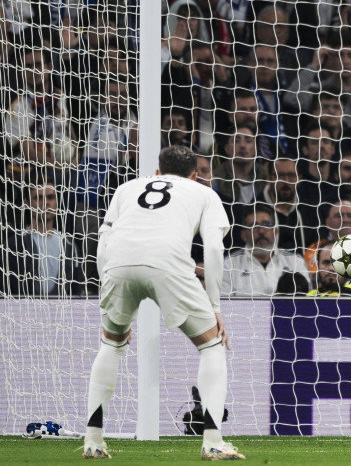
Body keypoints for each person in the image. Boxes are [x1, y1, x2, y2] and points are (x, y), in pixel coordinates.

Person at [83, 146, 244, 459]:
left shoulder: (126, 188)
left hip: (118, 264)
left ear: (157, 173)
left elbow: (103, 244)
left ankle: (93, 440)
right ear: (195, 175)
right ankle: (212, 440)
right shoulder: (204, 193)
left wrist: (112, 300)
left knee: (111, 345)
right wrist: (215, 308)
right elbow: (213, 250)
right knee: (211, 345)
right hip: (168, 263)